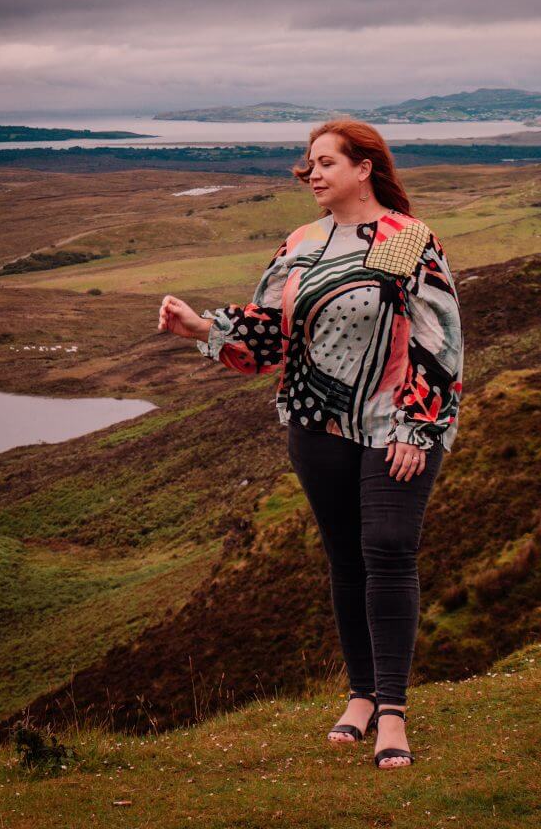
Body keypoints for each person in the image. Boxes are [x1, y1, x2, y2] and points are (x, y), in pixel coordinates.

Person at [158, 118, 464, 770]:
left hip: (394, 424)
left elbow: (439, 336)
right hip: (315, 424)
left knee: (386, 547)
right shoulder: (301, 244)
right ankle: (360, 695)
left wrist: (416, 424)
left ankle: (392, 712)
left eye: (327, 162)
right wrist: (199, 329)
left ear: (365, 169)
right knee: (346, 559)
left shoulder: (403, 240)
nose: (313, 173)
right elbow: (269, 339)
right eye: (309, 163)